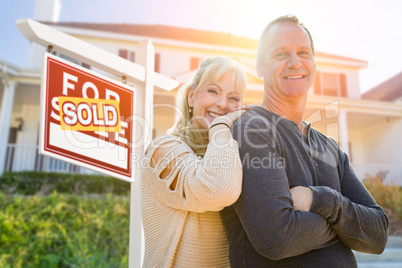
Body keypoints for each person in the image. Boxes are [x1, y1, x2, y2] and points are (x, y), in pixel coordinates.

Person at [221, 15, 388, 267]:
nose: (295, 63)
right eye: (280, 54)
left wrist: (320, 200)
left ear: (314, 63)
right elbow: (277, 237)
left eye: (303, 52)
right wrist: (347, 231)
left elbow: (378, 234)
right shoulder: (253, 130)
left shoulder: (329, 147)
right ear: (259, 67)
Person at [140, 56, 249, 267]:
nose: (223, 104)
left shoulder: (234, 157)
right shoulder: (162, 149)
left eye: (234, 98)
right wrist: (221, 127)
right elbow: (219, 190)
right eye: (213, 91)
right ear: (192, 97)